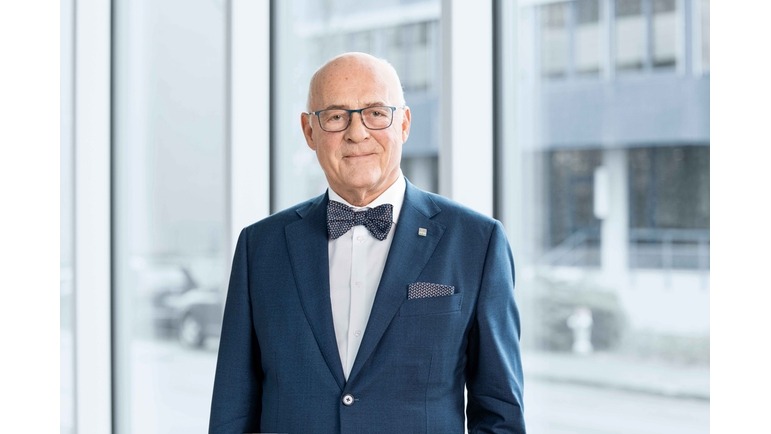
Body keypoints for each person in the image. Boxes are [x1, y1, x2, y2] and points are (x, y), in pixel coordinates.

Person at [209, 52, 525, 433]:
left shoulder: (477, 243)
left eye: (376, 113)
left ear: (404, 123)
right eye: (336, 116)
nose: (357, 133)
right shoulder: (259, 248)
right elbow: (231, 414)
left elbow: (501, 418)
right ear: (309, 131)